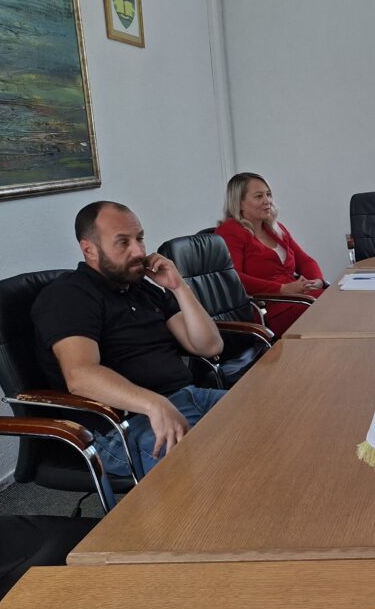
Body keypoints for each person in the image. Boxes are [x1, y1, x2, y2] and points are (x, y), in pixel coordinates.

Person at [32, 201, 226, 479]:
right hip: (125, 426)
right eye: (123, 242)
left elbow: (208, 346)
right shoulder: (69, 295)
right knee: (214, 471)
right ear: (89, 249)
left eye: (139, 238)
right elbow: (80, 375)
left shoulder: (143, 289)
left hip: (187, 398)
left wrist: (178, 287)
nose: (138, 251)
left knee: (272, 418)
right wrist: (154, 404)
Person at [215, 172, 326, 337]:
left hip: (297, 298)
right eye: (259, 196)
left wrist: (316, 281)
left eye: (268, 194)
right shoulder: (230, 231)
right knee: (331, 307)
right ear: (239, 203)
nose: (267, 201)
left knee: (337, 299)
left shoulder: (275, 228)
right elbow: (233, 278)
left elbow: (305, 261)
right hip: (268, 309)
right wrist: (282, 289)